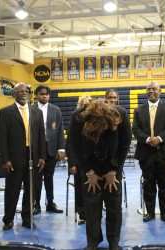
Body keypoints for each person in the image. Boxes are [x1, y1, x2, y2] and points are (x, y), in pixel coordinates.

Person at [69, 98, 131, 250]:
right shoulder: (78, 117)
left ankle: (114, 242)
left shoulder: (120, 114)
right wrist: (89, 172)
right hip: (90, 165)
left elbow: (124, 145)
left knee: (114, 206)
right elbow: (75, 147)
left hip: (112, 164)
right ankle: (93, 241)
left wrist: (114, 170)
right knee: (91, 206)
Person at [0, 83, 46, 230]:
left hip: (32, 156)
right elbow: (2, 138)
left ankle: (27, 218)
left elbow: (41, 136)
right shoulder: (5, 112)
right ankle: (8, 219)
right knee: (12, 189)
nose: (23, 93)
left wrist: (42, 156)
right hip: (13, 158)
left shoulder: (36, 112)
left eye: (25, 91)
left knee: (30, 190)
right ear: (14, 94)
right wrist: (5, 159)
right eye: (20, 91)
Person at [132, 80, 165, 222]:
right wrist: (148, 140)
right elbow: (135, 129)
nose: (151, 91)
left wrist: (159, 138)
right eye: (148, 89)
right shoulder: (138, 110)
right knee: (148, 184)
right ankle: (150, 212)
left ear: (160, 91)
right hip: (146, 153)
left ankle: (164, 212)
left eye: (154, 89)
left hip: (164, 152)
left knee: (164, 184)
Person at [33, 85, 65, 214]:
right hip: (36, 149)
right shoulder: (31, 109)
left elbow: (60, 130)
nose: (44, 96)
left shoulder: (56, 110)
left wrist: (61, 148)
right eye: (41, 94)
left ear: (49, 96)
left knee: (49, 177)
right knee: (37, 177)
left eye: (46, 94)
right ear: (36, 95)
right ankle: (36, 205)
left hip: (51, 148)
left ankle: (50, 203)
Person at [65, 94, 92, 225]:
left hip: (93, 161)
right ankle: (82, 214)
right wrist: (72, 163)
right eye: (86, 104)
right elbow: (69, 144)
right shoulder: (74, 120)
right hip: (78, 162)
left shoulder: (94, 119)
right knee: (80, 189)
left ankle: (93, 213)